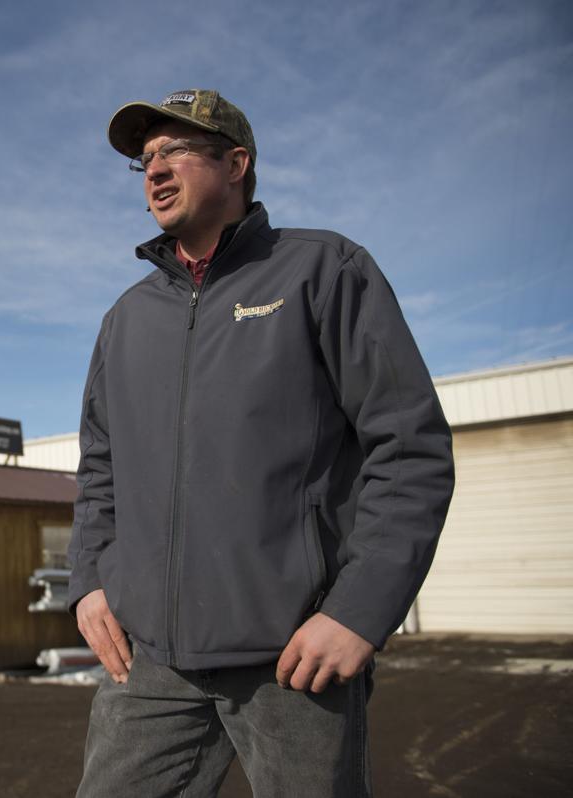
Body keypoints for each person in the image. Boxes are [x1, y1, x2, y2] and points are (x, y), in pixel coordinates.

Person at [68, 89, 454, 797]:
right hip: (150, 666)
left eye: (174, 150)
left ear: (236, 162)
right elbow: (100, 471)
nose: (154, 169)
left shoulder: (324, 271)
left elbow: (410, 448)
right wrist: (90, 579)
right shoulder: (125, 320)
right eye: (144, 159)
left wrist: (357, 612)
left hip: (293, 661)